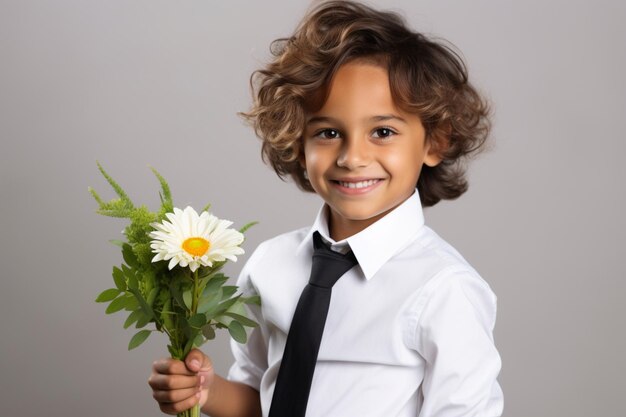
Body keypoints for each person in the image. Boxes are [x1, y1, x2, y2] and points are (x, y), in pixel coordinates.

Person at [148, 1, 504, 416]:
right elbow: (263, 400)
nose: (352, 157)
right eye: (329, 132)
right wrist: (204, 391)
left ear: (434, 142)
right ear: (297, 141)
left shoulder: (445, 289)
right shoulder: (271, 266)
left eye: (383, 131)